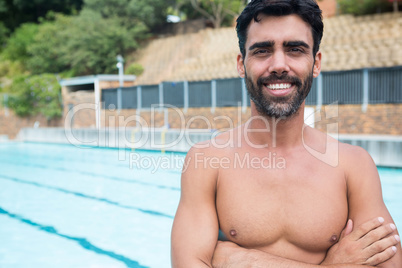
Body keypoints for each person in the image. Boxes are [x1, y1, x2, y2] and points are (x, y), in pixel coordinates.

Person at [171, 0, 402, 267]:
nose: (279, 65)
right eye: (262, 51)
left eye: (295, 49)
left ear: (315, 63)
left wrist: (242, 260)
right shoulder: (206, 162)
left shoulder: (353, 165)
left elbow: (389, 263)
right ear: (241, 64)